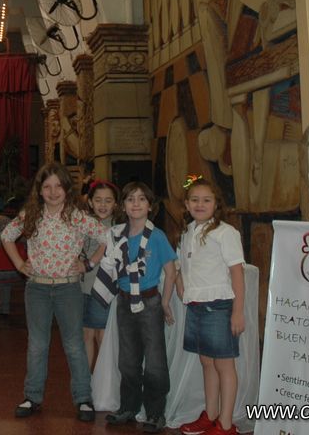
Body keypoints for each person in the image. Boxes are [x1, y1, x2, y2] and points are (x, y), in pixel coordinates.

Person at [1, 162, 107, 423]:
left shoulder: (77, 216)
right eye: (47, 187)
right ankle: (32, 396)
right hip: (37, 288)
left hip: (68, 288)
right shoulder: (31, 214)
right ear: (39, 190)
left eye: (58, 186)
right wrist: (19, 264)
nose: (53, 192)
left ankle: (83, 398)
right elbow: (6, 236)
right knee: (37, 345)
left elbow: (106, 238)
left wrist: (88, 263)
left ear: (67, 189)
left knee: (74, 345)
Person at [95, 182, 176, 434]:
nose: (136, 204)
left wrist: (165, 302)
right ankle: (128, 406)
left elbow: (171, 271)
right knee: (127, 359)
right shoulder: (117, 235)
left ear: (150, 206)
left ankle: (155, 412)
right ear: (123, 206)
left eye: (142, 199)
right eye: (130, 199)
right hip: (124, 301)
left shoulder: (157, 236)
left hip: (150, 302)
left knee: (154, 360)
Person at [174, 177, 245, 435]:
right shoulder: (187, 232)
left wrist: (238, 311)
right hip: (196, 306)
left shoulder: (226, 232)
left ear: (216, 204)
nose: (200, 204)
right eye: (194, 200)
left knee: (224, 365)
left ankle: (226, 424)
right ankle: (211, 414)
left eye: (206, 200)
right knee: (206, 362)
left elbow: (237, 273)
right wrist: (180, 283)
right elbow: (181, 265)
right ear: (186, 204)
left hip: (219, 306)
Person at [80, 181, 120, 372]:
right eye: (98, 200)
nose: (103, 205)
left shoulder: (117, 227)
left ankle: (104, 380)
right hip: (81, 288)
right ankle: (86, 380)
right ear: (90, 202)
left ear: (115, 204)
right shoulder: (83, 224)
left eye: (108, 200)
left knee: (102, 336)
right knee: (86, 334)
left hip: (103, 289)